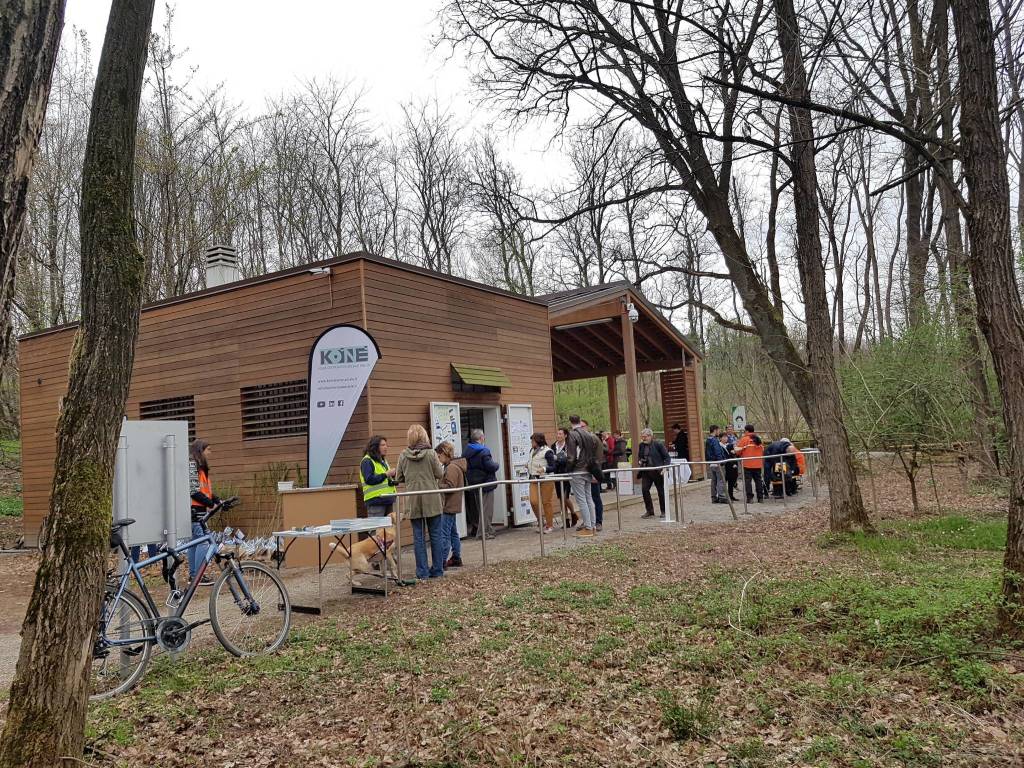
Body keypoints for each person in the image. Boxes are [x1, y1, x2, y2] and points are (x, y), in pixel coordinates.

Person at [396, 424, 446, 580]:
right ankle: (437, 570)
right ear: (424, 436)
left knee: (418, 537)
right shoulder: (431, 453)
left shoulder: (403, 455)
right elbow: (439, 473)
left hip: (413, 499)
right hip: (431, 498)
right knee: (436, 535)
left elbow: (399, 477)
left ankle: (422, 572)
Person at [188, 439, 220, 586]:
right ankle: (197, 576)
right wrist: (210, 503)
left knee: (195, 542)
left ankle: (194, 575)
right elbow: (193, 491)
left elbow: (205, 491)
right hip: (194, 510)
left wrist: (217, 500)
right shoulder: (193, 466)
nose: (210, 453)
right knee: (203, 542)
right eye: (209, 450)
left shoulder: (200, 468)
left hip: (198, 510)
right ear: (201, 451)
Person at [565, 415, 602, 537]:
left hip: (578, 470)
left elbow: (571, 456)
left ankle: (588, 527)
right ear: (579, 422)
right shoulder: (588, 435)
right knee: (589, 498)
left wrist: (568, 469)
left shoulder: (572, 435)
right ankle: (592, 525)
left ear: (570, 422)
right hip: (588, 469)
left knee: (582, 500)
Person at [464, 429, 500, 539]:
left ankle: (488, 529)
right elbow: (490, 466)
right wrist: (496, 465)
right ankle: (483, 533)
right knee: (487, 510)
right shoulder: (484, 451)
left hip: (474, 484)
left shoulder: (467, 450)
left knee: (480, 509)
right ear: (481, 438)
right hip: (486, 483)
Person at [435, 441, 466, 568]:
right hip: (453, 505)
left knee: (445, 534)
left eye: (438, 456)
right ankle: (456, 557)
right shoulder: (455, 465)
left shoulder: (452, 467)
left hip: (448, 505)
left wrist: (436, 486)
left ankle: (441, 561)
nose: (438, 459)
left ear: (444, 453)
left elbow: (450, 486)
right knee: (453, 533)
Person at [527, 432, 558, 533]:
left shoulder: (548, 451)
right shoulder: (532, 450)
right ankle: (541, 521)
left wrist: (544, 469)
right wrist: (528, 465)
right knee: (533, 501)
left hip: (546, 479)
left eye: (533, 441)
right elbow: (533, 461)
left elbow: (553, 466)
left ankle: (550, 525)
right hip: (533, 478)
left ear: (538, 441)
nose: (531, 442)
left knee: (546, 502)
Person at [360, 435, 397, 517]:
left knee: (389, 529)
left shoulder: (383, 461)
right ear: (375, 447)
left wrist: (393, 476)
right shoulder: (367, 461)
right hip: (376, 501)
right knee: (376, 529)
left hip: (387, 499)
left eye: (386, 445)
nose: (386, 447)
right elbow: (369, 479)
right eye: (383, 445)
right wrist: (386, 474)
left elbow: (385, 480)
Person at [638, 428, 671, 519]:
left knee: (661, 491)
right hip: (646, 471)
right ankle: (649, 510)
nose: (643, 439)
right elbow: (640, 456)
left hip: (658, 472)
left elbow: (667, 458)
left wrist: (665, 468)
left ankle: (664, 511)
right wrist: (640, 461)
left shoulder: (658, 444)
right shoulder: (641, 445)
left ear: (650, 436)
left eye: (645, 437)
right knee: (644, 490)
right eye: (642, 437)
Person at [552, 427, 579, 528]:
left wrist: (560, 459)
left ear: (565, 435)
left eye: (560, 434)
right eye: (557, 434)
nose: (558, 436)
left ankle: (573, 513)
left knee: (565, 497)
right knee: (560, 498)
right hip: (557, 473)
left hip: (566, 473)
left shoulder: (568, 446)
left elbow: (570, 459)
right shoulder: (553, 446)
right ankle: (566, 520)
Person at [734, 424, 765, 503]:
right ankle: (760, 498)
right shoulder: (758, 439)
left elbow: (737, 451)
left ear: (747, 431)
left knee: (748, 482)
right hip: (758, 464)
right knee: (758, 481)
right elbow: (762, 450)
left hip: (747, 464)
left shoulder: (744, 439)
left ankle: (750, 498)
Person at [704, 425, 728, 504]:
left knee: (714, 480)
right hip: (717, 462)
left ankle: (714, 497)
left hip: (711, 463)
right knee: (720, 480)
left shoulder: (708, 439)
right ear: (715, 430)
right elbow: (717, 451)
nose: (719, 432)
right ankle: (722, 496)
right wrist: (721, 461)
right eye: (718, 430)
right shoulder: (714, 440)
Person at [722, 428, 739, 502]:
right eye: (724, 437)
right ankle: (725, 495)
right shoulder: (723, 446)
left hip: (734, 464)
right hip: (728, 465)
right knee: (727, 480)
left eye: (726, 437)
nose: (725, 438)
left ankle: (731, 495)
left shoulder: (731, 445)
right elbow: (728, 455)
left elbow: (735, 453)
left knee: (733, 479)